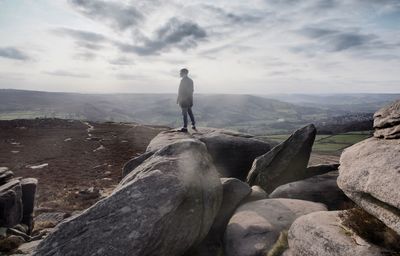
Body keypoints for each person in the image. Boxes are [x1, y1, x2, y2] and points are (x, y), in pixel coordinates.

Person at [177, 68, 196, 132]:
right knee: (190, 112)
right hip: (188, 100)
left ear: (184, 73)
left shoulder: (184, 80)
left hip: (185, 100)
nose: (180, 74)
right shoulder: (189, 80)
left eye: (180, 72)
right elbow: (191, 90)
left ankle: (185, 127)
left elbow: (183, 91)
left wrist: (182, 99)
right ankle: (193, 124)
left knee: (184, 114)